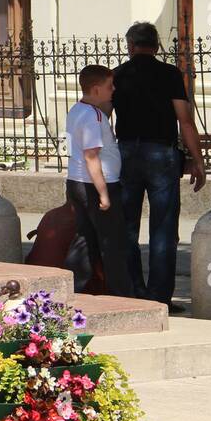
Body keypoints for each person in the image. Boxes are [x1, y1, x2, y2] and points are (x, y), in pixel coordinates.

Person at [112, 21, 206, 312]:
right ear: (155, 46)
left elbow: (102, 117)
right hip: (161, 154)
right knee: (164, 227)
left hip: (126, 152)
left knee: (126, 226)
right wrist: (198, 160)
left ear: (130, 46)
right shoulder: (169, 74)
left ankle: (132, 290)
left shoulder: (117, 75)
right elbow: (185, 121)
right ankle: (159, 297)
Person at [64, 64, 135, 298]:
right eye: (109, 86)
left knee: (84, 241)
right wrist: (103, 193)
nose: (113, 89)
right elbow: (91, 155)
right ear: (96, 90)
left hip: (76, 181)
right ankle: (122, 297)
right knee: (112, 243)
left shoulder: (76, 110)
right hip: (96, 185)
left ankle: (70, 291)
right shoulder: (94, 116)